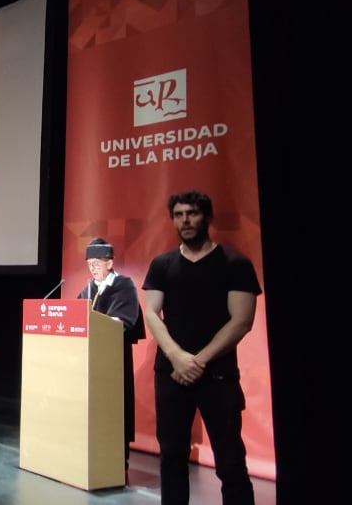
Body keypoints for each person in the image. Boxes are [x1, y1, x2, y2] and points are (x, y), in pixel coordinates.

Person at [142, 190, 260, 505]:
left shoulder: (235, 262)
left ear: (206, 217)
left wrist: (198, 361)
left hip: (218, 375)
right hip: (170, 374)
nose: (185, 220)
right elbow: (151, 313)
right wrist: (178, 357)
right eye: (179, 215)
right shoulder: (162, 264)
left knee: (230, 459)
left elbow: (242, 320)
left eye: (192, 213)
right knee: (172, 456)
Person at [75, 237, 145, 472]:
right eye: (89, 264)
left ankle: (117, 458)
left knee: (115, 407)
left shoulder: (124, 285)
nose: (93, 268)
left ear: (110, 262)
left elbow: (123, 321)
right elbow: (75, 316)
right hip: (90, 361)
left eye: (97, 263)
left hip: (114, 359)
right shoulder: (88, 289)